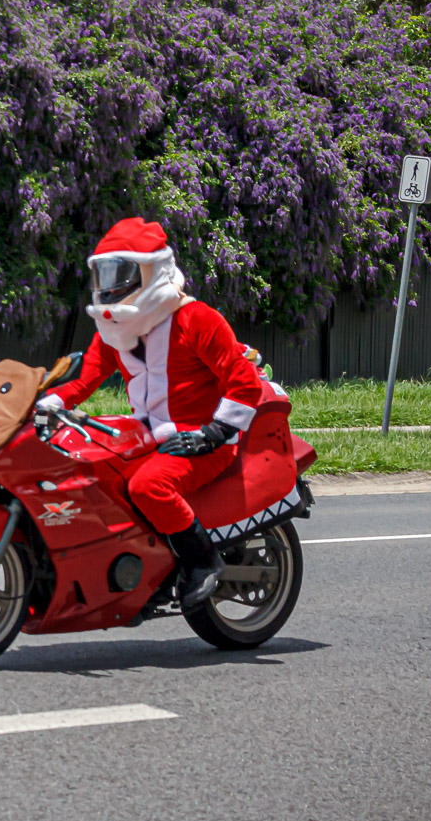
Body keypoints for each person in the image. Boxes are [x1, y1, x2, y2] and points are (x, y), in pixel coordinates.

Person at [36, 217, 268, 611]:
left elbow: (244, 382)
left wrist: (213, 433)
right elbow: (84, 380)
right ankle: (143, 568)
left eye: (122, 273)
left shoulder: (197, 319)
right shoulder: (115, 331)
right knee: (94, 473)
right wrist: (48, 403)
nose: (111, 286)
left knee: (148, 487)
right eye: (105, 274)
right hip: (148, 435)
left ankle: (202, 560)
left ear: (152, 271)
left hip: (203, 439)